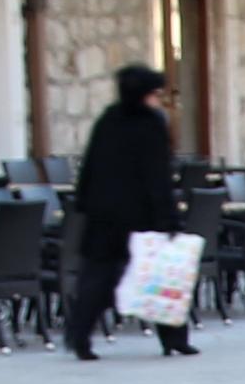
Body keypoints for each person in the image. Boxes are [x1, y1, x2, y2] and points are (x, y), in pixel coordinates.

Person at [68, 64, 195, 360]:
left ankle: (79, 337)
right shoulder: (151, 125)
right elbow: (157, 177)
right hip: (141, 218)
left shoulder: (108, 120)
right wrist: (169, 219)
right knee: (162, 276)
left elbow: (89, 167)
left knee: (96, 280)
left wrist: (84, 204)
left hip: (103, 216)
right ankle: (174, 339)